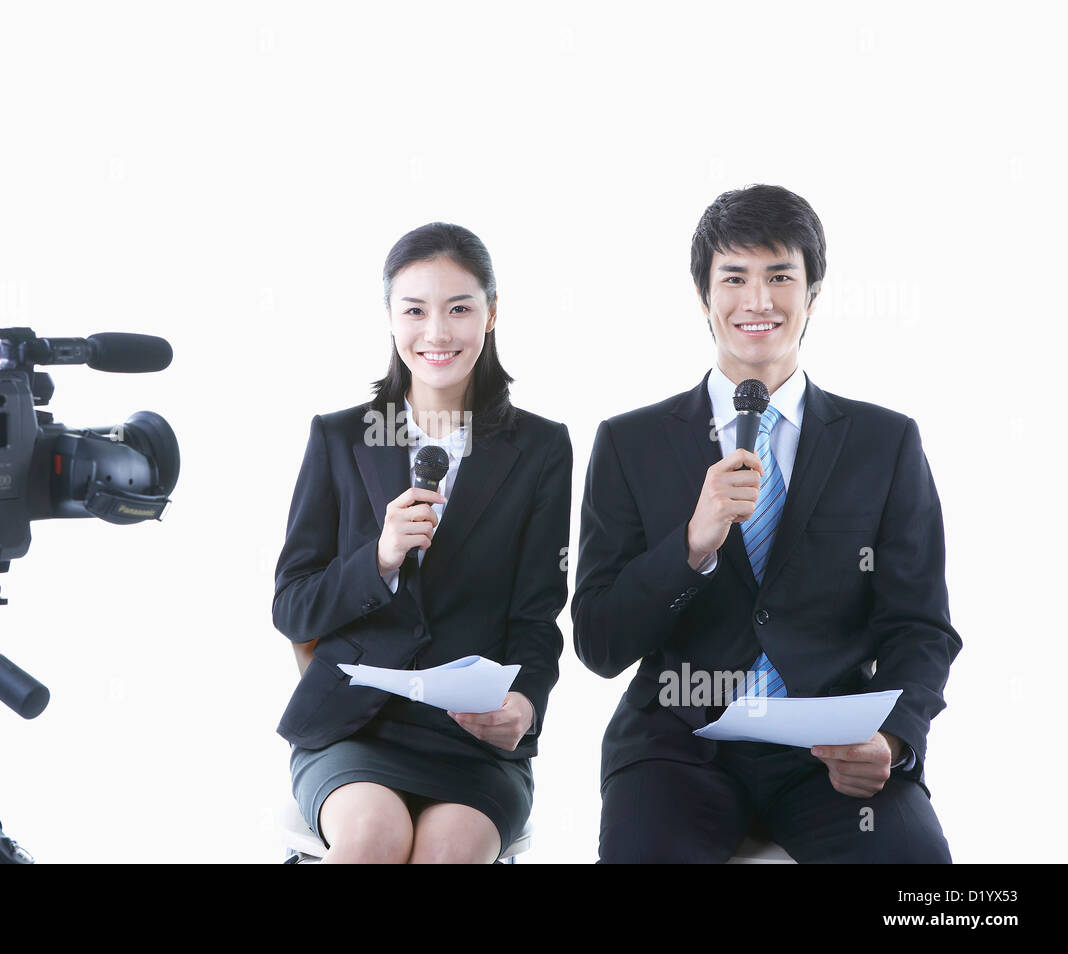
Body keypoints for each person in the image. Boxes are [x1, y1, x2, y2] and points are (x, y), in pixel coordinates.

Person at [572, 184, 960, 863]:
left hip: (830, 750)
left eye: (781, 276)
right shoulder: (629, 443)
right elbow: (600, 644)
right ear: (703, 298)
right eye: (735, 278)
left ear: (812, 294)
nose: (758, 301)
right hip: (676, 749)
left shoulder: (884, 442)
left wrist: (893, 739)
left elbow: (920, 626)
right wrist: (691, 546)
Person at [273, 222, 571, 863]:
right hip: (354, 726)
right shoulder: (340, 436)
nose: (437, 333)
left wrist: (525, 704)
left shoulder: (542, 448)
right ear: (390, 319)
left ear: (491, 316)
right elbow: (292, 607)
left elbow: (538, 616)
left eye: (459, 309)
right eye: (415, 310)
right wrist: (377, 559)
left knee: (445, 853)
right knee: (377, 840)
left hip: (472, 740)